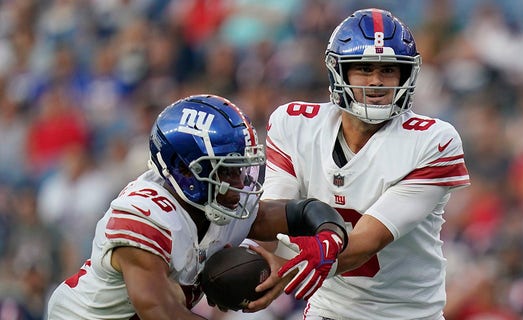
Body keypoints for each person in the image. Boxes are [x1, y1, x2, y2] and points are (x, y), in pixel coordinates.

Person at [46, 94, 348, 320]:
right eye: (225, 170)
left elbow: (301, 212)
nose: (239, 182)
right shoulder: (145, 214)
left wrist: (329, 238)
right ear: (185, 171)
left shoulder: (215, 199)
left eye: (239, 168)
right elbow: (159, 311)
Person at [264, 8, 470, 320]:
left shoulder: (432, 141)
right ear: (339, 71)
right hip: (329, 311)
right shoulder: (295, 124)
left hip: (409, 315)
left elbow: (367, 240)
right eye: (363, 68)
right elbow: (273, 217)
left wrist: (286, 268)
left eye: (388, 70)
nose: (376, 82)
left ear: (405, 75)